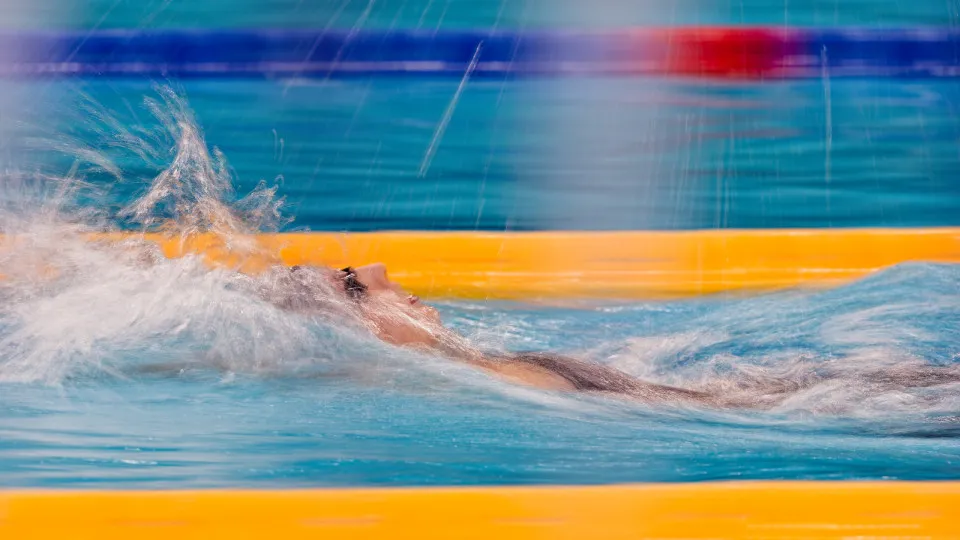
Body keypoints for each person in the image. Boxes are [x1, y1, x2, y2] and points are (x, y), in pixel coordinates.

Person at [270, 262, 960, 410]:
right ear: (360, 336)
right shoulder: (480, 387)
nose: (386, 271)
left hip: (767, 396)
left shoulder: (482, 367)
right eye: (356, 286)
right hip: (786, 409)